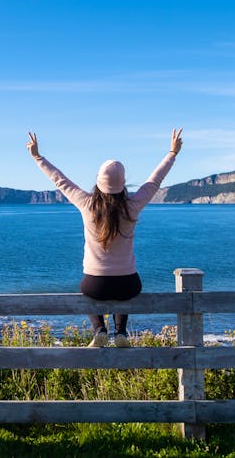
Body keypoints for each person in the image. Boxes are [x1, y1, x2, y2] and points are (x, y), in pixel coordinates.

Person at [26, 128, 182, 347]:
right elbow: (154, 182)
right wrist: (172, 153)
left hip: (95, 284)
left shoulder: (86, 204)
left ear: (98, 182)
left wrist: (37, 156)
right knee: (123, 293)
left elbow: (59, 180)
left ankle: (99, 329)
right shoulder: (132, 207)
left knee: (88, 291)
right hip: (129, 284)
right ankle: (120, 332)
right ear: (123, 184)